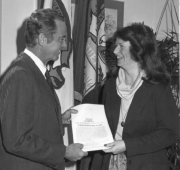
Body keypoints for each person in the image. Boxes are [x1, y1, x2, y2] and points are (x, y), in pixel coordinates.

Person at [82, 23, 179, 170]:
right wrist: (80, 115)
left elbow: (170, 133)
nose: (114, 51)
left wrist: (127, 145)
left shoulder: (158, 88)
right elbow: (102, 121)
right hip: (106, 164)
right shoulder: (110, 85)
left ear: (138, 49)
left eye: (121, 46)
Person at [0, 8, 87, 170]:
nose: (64, 45)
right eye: (61, 39)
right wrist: (64, 151)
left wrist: (59, 120)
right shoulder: (21, 75)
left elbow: (27, 121)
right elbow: (16, 140)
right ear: (42, 39)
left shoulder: (33, 70)